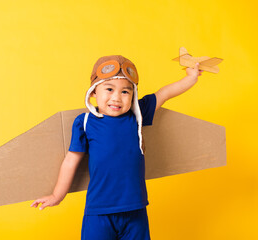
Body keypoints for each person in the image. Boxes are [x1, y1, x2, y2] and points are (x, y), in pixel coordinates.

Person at [31, 55, 203, 240]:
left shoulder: (137, 115)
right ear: (93, 92)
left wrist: (191, 78)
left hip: (135, 210)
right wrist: (57, 195)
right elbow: (71, 160)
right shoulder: (85, 122)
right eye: (109, 89)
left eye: (125, 92)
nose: (117, 98)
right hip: (99, 211)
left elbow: (165, 93)